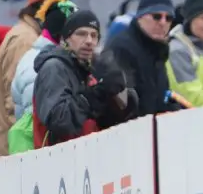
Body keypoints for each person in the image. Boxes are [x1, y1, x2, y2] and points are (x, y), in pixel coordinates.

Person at [0, 0, 70, 158]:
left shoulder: (29, 35)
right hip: (13, 155)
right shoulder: (25, 41)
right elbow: (15, 105)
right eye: (62, 6)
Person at [32, 10, 136, 147]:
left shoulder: (89, 71)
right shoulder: (54, 68)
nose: (89, 41)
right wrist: (96, 95)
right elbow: (60, 121)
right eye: (81, 34)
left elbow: (97, 123)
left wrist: (121, 101)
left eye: (94, 36)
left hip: (86, 157)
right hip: (57, 160)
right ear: (65, 39)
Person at [106, 0, 182, 116]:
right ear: (140, 17)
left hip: (153, 130)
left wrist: (173, 111)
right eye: (156, 16)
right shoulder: (122, 49)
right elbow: (120, 105)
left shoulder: (159, 51)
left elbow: (162, 97)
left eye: (168, 18)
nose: (163, 22)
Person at [11, 0, 78, 119]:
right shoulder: (41, 67)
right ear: (63, 35)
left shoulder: (37, 57)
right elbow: (35, 122)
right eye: (78, 33)